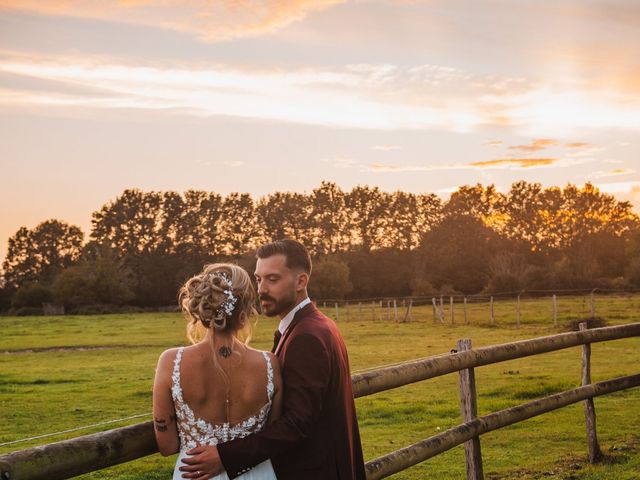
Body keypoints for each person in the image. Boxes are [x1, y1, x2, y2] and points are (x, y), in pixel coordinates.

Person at [179, 239, 366, 480]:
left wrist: (226, 456)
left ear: (301, 282)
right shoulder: (315, 324)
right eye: (258, 279)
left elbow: (297, 423)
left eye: (273, 279)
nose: (261, 289)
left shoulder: (306, 336)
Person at [153, 263, 283, 480]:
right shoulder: (270, 364)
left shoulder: (171, 361)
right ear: (245, 312)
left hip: (195, 472)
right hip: (256, 473)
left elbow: (167, 445)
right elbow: (273, 436)